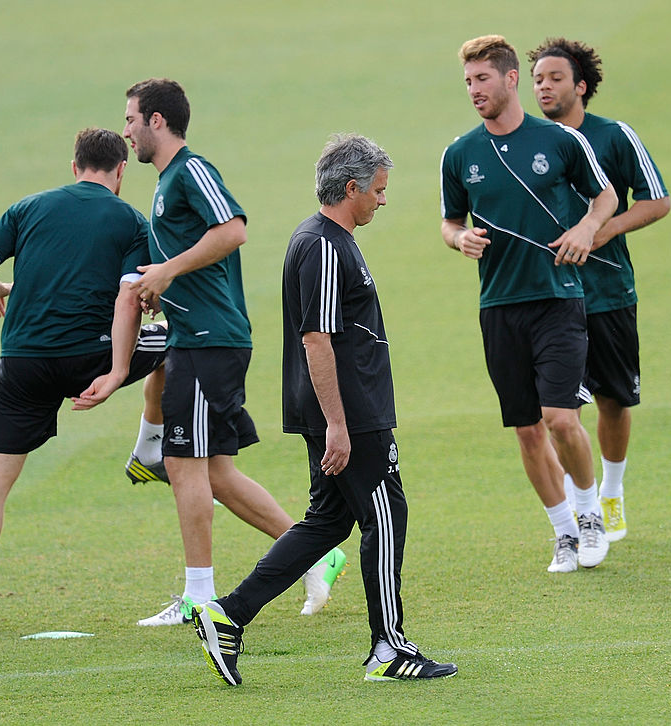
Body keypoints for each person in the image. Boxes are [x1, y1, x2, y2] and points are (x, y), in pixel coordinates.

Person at [190, 133, 458, 686]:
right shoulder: (324, 246)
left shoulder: (325, 240)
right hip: (351, 414)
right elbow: (318, 339)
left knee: (328, 522)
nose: (383, 201)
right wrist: (338, 423)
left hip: (346, 410)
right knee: (387, 516)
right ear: (352, 186)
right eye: (379, 191)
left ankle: (228, 614)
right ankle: (389, 649)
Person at [121, 78, 345, 627]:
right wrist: (161, 284)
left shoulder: (192, 170)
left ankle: (200, 596)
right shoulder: (164, 184)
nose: (125, 131)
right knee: (213, 470)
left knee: (180, 463)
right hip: (195, 337)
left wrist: (169, 270)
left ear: (156, 120)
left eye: (130, 119)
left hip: (209, 341)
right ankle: (315, 552)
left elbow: (234, 229)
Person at [0, 127, 168, 630]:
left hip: (21, 362)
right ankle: (151, 445)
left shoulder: (27, 208)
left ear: (74, 167)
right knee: (179, 341)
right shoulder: (129, 220)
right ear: (120, 172)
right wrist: (116, 370)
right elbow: (130, 301)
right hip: (86, 358)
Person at [439, 35, 619, 573]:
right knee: (525, 428)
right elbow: (450, 221)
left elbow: (605, 195)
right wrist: (457, 240)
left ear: (510, 78)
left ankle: (590, 515)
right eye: (468, 81)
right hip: (498, 304)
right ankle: (563, 531)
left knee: (561, 417)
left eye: (483, 79)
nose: (474, 90)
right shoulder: (459, 153)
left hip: (558, 297)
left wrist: (587, 228)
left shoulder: (560, 140)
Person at [528, 38, 671, 542]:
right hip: (547, 297)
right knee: (559, 412)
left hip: (607, 292)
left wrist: (600, 230)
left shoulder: (614, 137)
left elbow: (657, 202)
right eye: (538, 79)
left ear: (581, 86)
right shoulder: (527, 143)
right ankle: (579, 505)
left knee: (613, 400)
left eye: (555, 78)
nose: (544, 86)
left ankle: (611, 493)